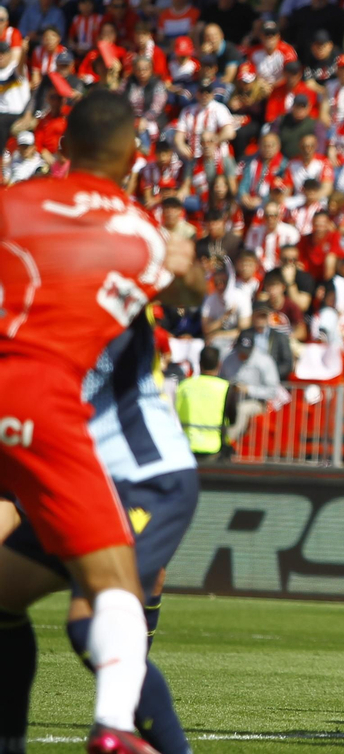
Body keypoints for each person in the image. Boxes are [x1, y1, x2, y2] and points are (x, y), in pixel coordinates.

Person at [0, 89, 203, 754]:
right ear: (134, 158)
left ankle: (143, 740)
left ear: (61, 148)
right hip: (63, 449)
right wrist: (183, 265)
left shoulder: (16, 208)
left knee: (92, 626)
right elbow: (186, 288)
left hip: (138, 472)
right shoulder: (138, 232)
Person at [1, 305, 204, 754]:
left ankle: (120, 727)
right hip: (77, 482)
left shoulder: (94, 264)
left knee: (90, 618)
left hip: (140, 475)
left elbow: (184, 279)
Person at [174, 345, 240, 460]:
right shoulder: (225, 388)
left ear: (199, 364)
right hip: (214, 449)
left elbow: (176, 414)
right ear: (219, 364)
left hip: (187, 447)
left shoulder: (184, 386)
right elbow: (232, 419)